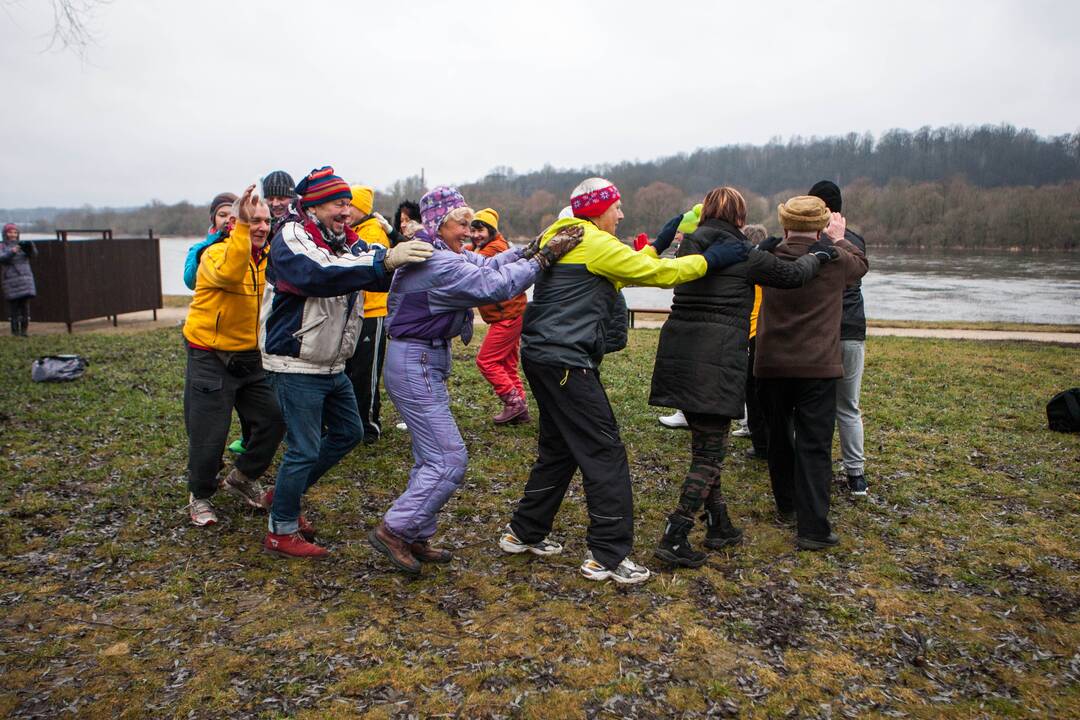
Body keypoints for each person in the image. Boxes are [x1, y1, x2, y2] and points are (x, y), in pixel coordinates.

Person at [498, 177, 749, 585]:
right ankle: (608, 556)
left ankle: (524, 532)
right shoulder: (597, 245)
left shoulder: (562, 232)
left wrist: (670, 231)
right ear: (599, 209)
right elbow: (659, 273)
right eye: (617, 207)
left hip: (539, 356)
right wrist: (710, 259)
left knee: (559, 448)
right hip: (566, 361)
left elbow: (629, 261)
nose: (622, 214)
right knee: (605, 451)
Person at [367, 186, 582, 575]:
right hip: (414, 361)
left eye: (471, 223)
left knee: (429, 456)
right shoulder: (436, 262)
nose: (469, 230)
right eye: (462, 222)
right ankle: (394, 529)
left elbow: (485, 265)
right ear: (438, 223)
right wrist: (545, 258)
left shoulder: (441, 251)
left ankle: (415, 531)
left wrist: (530, 248)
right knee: (449, 458)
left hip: (421, 359)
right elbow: (495, 285)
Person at [648, 188, 833, 568]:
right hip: (715, 361)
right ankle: (677, 531)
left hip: (679, 354)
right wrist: (819, 254)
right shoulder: (744, 254)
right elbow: (793, 274)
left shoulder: (689, 250)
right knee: (710, 455)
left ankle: (719, 525)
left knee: (706, 445)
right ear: (739, 218)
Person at [260, 166, 434, 559]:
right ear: (316, 206)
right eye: (338, 203)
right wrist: (386, 261)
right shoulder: (292, 236)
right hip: (295, 360)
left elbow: (373, 267)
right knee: (303, 448)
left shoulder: (344, 238)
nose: (346, 210)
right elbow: (319, 272)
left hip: (329, 361)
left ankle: (284, 495)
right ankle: (280, 529)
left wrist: (414, 255)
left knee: (348, 432)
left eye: (347, 204)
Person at [754, 196, 868, 551]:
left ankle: (786, 503)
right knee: (815, 445)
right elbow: (862, 265)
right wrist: (838, 237)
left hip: (771, 362)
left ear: (784, 225)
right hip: (818, 365)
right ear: (820, 226)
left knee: (778, 436)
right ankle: (814, 527)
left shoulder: (768, 258)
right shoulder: (835, 261)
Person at [181, 186, 285, 527]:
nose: (260, 227)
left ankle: (242, 478)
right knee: (209, 433)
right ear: (237, 223)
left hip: (252, 357)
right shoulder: (214, 255)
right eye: (252, 220)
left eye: (266, 221)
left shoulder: (270, 256)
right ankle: (200, 495)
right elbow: (229, 273)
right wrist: (240, 227)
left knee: (274, 418)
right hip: (210, 354)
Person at [808, 180, 869, 496]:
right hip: (852, 329)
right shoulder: (855, 240)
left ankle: (812, 470)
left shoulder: (814, 241)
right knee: (849, 405)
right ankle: (856, 474)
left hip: (823, 330)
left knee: (816, 404)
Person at [469, 208, 531, 424]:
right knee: (506, 364)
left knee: (486, 361)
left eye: (481, 230)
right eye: (473, 230)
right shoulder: (485, 246)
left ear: (492, 231)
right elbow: (471, 251)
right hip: (510, 314)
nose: (476, 235)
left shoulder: (495, 248)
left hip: (507, 316)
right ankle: (520, 410)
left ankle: (513, 402)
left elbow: (471, 264)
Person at [344, 185, 395, 443]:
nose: (345, 210)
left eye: (349, 206)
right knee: (350, 369)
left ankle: (368, 426)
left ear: (361, 208)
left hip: (373, 312)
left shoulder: (373, 232)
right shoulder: (350, 232)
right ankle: (351, 423)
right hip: (354, 311)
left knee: (366, 372)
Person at [741, 224, 771, 460]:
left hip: (752, 332)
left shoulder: (747, 266)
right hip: (771, 332)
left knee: (753, 391)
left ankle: (761, 444)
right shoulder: (772, 266)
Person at [182, 192, 237, 291]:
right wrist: (199, 258)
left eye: (233, 216)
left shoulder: (247, 247)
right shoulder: (198, 248)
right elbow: (190, 283)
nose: (228, 220)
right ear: (213, 219)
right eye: (222, 215)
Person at [1, 224, 36, 337]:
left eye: (15, 232)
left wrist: (30, 248)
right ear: (5, 234)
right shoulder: (2, 246)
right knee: (14, 308)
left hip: (25, 279)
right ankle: (15, 332)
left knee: (25, 307)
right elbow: (2, 258)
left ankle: (24, 331)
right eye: (10, 232)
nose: (13, 235)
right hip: (11, 279)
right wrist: (13, 251)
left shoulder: (22, 245)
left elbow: (33, 255)